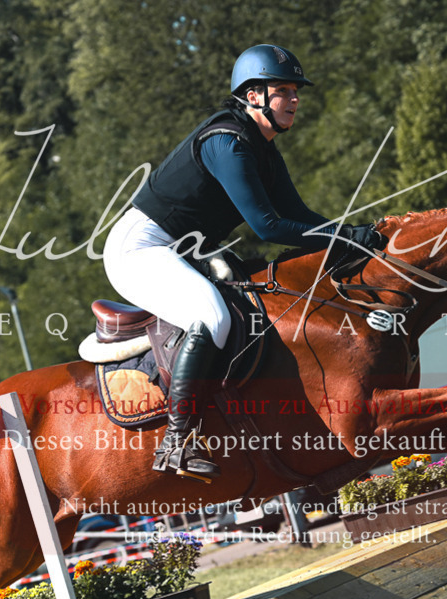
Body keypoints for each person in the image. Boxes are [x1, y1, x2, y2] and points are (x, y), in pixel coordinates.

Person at [104, 44, 386, 482]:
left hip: (182, 250)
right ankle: (177, 441)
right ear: (253, 95)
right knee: (211, 317)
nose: (294, 99)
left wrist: (357, 235)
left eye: (296, 91)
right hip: (140, 249)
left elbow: (302, 218)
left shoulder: (264, 150)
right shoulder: (228, 142)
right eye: (284, 91)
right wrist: (344, 237)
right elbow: (269, 226)